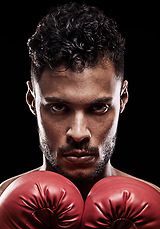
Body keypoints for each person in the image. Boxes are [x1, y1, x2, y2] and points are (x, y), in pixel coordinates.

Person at [0, 2, 159, 199]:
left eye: (99, 107)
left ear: (123, 99)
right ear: (32, 100)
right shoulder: (1, 206)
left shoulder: (155, 207)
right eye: (58, 107)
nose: (78, 133)